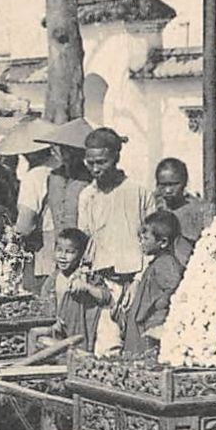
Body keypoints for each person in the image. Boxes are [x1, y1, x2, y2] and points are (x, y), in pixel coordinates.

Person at [77, 127, 153, 355]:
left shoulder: (139, 193)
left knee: (137, 352)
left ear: (116, 158)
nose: (96, 169)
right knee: (105, 351)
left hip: (136, 284)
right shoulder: (87, 196)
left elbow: (151, 244)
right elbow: (86, 241)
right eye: (90, 163)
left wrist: (139, 281)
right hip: (104, 287)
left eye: (102, 162)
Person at [15, 120, 87, 284]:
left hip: (73, 250)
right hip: (55, 248)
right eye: (65, 150)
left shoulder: (89, 181)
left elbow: (24, 225)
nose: (68, 155)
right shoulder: (54, 177)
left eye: (73, 151)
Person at [120, 212, 185, 356]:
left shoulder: (166, 263)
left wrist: (157, 313)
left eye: (145, 238)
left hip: (149, 330)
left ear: (163, 242)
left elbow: (174, 292)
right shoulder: (157, 262)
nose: (141, 242)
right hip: (141, 327)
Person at [40, 228, 104, 353]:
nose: (63, 256)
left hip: (79, 335)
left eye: (70, 252)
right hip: (56, 336)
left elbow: (104, 296)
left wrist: (87, 287)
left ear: (80, 254)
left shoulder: (86, 277)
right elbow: (43, 305)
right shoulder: (52, 280)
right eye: (59, 250)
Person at [154, 157, 214, 263]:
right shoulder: (154, 209)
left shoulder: (202, 210)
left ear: (184, 183)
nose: (168, 190)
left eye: (173, 184)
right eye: (163, 185)